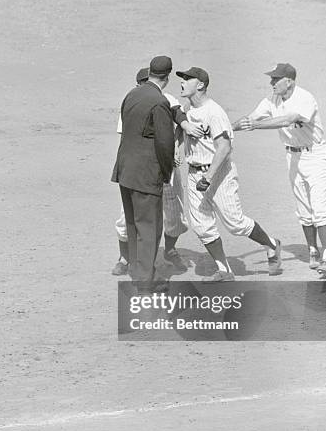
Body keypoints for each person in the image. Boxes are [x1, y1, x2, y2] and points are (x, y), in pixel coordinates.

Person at [175, 67, 282, 281]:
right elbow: (177, 118)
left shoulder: (214, 112)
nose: (182, 82)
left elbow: (224, 147)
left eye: (188, 79)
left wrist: (209, 176)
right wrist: (178, 146)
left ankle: (272, 244)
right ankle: (224, 270)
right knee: (200, 224)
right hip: (194, 172)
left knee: (235, 223)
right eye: (182, 79)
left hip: (218, 172)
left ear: (201, 85)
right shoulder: (188, 108)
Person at [232, 63, 326, 279]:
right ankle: (312, 251)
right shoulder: (272, 99)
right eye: (271, 78)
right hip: (293, 156)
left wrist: (257, 126)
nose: (271, 82)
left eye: (275, 79)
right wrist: (226, 129)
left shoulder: (305, 98)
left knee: (320, 208)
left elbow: (288, 119)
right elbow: (251, 118)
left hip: (316, 156)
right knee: (304, 210)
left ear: (289, 81)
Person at [111, 55, 188, 292]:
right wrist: (165, 173)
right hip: (146, 174)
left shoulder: (131, 95)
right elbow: (164, 144)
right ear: (167, 77)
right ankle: (146, 282)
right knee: (149, 228)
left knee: (134, 225)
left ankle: (137, 271)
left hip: (125, 170)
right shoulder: (160, 101)